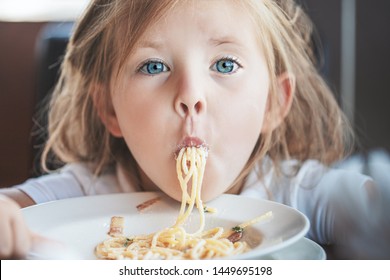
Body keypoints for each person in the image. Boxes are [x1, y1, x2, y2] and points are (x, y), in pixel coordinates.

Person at [0, 0, 389, 259]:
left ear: (273, 101)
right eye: (154, 67)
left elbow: (369, 205)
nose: (190, 96)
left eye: (224, 65)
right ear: (109, 108)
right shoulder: (83, 193)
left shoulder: (296, 191)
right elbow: (10, 207)